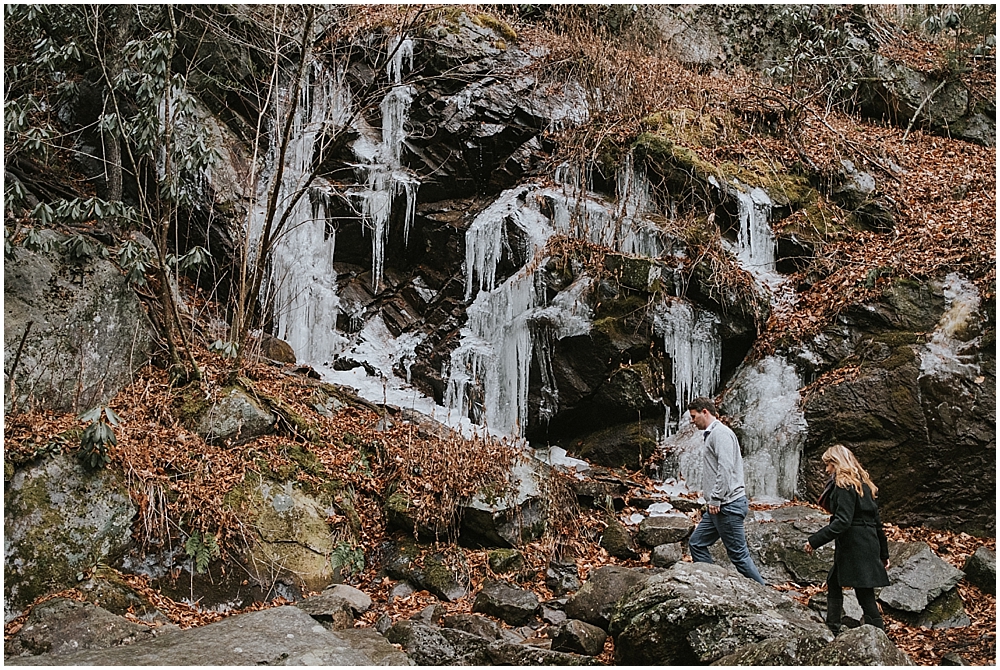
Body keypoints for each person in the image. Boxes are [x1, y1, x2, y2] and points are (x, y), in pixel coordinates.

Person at [803, 444, 890, 634]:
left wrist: (814, 540)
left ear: (838, 463)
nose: (827, 470)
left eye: (829, 465)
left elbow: (843, 521)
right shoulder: (864, 484)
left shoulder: (844, 485)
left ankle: (878, 634)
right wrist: (883, 553)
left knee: (864, 593)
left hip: (855, 544)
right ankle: (833, 626)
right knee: (835, 581)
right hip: (867, 542)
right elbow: (877, 522)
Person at [686, 397, 765, 584]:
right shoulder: (713, 434)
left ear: (705, 412)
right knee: (696, 543)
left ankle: (765, 595)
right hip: (718, 507)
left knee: (739, 556)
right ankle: (712, 585)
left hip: (726, 505)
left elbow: (725, 467)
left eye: (694, 416)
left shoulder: (720, 434)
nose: (692, 420)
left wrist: (716, 498)